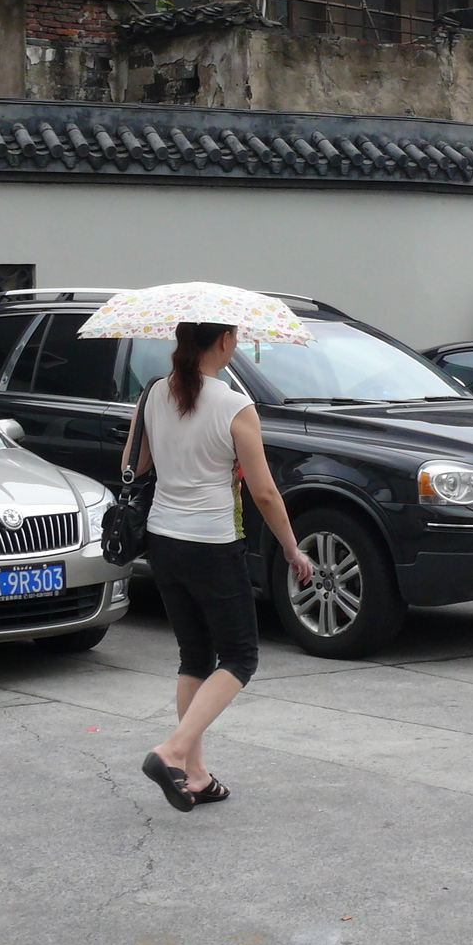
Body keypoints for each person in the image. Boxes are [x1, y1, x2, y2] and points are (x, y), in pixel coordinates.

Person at [128, 321, 313, 812]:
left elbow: (137, 466)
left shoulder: (153, 394)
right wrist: (291, 549)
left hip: (163, 541)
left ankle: (196, 774)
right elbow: (265, 492)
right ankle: (171, 751)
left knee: (195, 657)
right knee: (239, 658)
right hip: (212, 544)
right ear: (226, 341)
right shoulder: (235, 405)